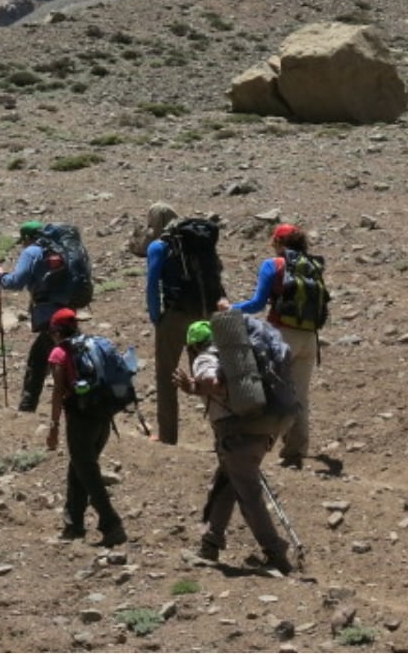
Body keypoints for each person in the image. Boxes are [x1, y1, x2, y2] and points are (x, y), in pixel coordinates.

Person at [174, 320, 294, 574]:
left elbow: (213, 381)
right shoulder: (236, 356)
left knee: (249, 497)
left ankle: (276, 554)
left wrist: (195, 386)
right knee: (224, 485)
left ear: (192, 346)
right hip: (261, 431)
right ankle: (210, 543)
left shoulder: (204, 358)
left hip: (237, 435)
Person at [222, 223, 323, 468]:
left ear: (278, 243)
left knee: (271, 391)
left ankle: (257, 446)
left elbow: (257, 304)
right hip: (309, 338)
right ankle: (295, 452)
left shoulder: (273, 265)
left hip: (281, 336)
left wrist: (230, 308)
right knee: (300, 396)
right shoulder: (312, 266)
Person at [44, 308, 127, 546]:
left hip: (80, 421)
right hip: (103, 418)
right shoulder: (94, 344)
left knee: (88, 473)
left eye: (52, 332)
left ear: (57, 331)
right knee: (78, 469)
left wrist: (53, 426)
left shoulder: (60, 353)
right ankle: (74, 525)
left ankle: (112, 524)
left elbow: (58, 391)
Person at [0, 220, 73, 413]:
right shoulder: (63, 250)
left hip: (49, 318)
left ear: (28, 239)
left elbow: (17, 282)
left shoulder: (32, 252)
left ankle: (27, 409)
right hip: (68, 313)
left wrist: (1, 276)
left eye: (23, 241)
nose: (22, 245)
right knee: (66, 358)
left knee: (38, 363)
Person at [144, 206, 207, 445]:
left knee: (166, 375)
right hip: (201, 313)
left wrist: (156, 316)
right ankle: (222, 429)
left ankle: (168, 436)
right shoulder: (195, 242)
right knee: (205, 369)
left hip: (175, 314)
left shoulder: (159, 246)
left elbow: (152, 284)